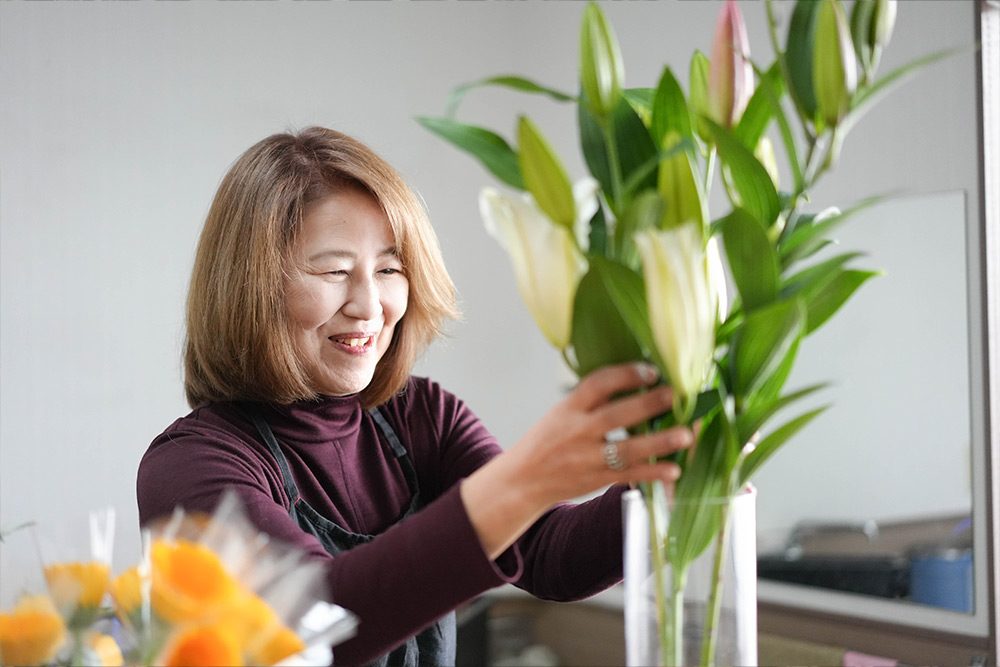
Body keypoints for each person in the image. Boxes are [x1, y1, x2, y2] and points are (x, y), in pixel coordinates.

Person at [136, 126, 693, 666]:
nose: (370, 305)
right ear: (250, 286)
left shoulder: (421, 415)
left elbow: (548, 556)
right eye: (333, 270)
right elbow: (315, 623)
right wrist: (529, 478)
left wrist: (673, 474)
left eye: (389, 268)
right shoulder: (188, 469)